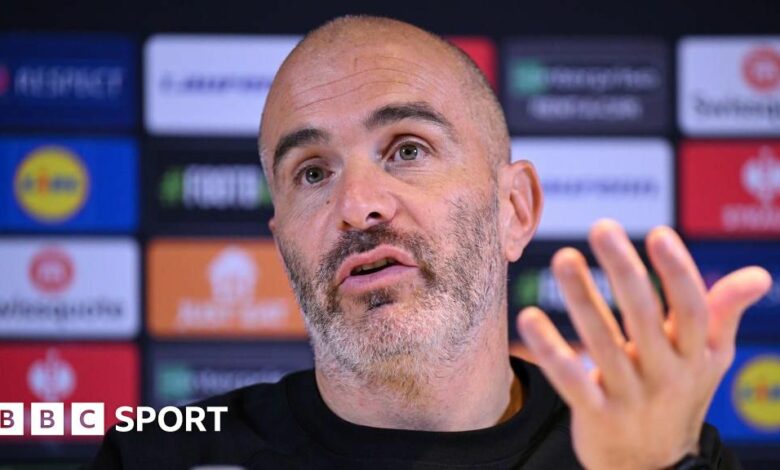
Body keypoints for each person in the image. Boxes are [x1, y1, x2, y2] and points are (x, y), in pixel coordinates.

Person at [88, 16, 772, 469]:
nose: (358, 206)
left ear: (515, 208)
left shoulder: (646, 450)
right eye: (313, 172)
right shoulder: (159, 454)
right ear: (281, 241)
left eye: (407, 150)